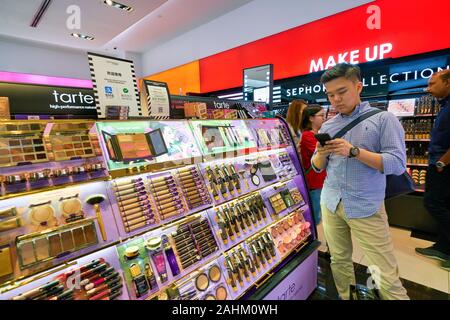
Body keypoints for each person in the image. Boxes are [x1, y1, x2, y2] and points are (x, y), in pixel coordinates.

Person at [311, 63, 409, 300]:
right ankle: (347, 296)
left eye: (342, 92)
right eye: (330, 94)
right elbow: (316, 166)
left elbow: (396, 163)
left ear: (358, 86)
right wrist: (322, 154)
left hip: (366, 205)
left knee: (383, 269)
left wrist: (354, 151)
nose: (336, 99)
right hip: (331, 202)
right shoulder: (328, 125)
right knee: (339, 259)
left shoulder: (383, 119)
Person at [415, 69, 450, 271]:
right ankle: (443, 247)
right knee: (443, 203)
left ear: (447, 82)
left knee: (433, 203)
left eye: (432, 84)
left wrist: (441, 163)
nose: (428, 89)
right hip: (440, 164)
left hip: (442, 166)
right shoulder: (444, 105)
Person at [298, 105, 327, 225]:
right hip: (314, 181)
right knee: (315, 214)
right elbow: (324, 151)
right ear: (311, 118)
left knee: (319, 211)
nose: (324, 118)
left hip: (322, 179)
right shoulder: (307, 135)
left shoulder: (319, 133)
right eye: (321, 115)